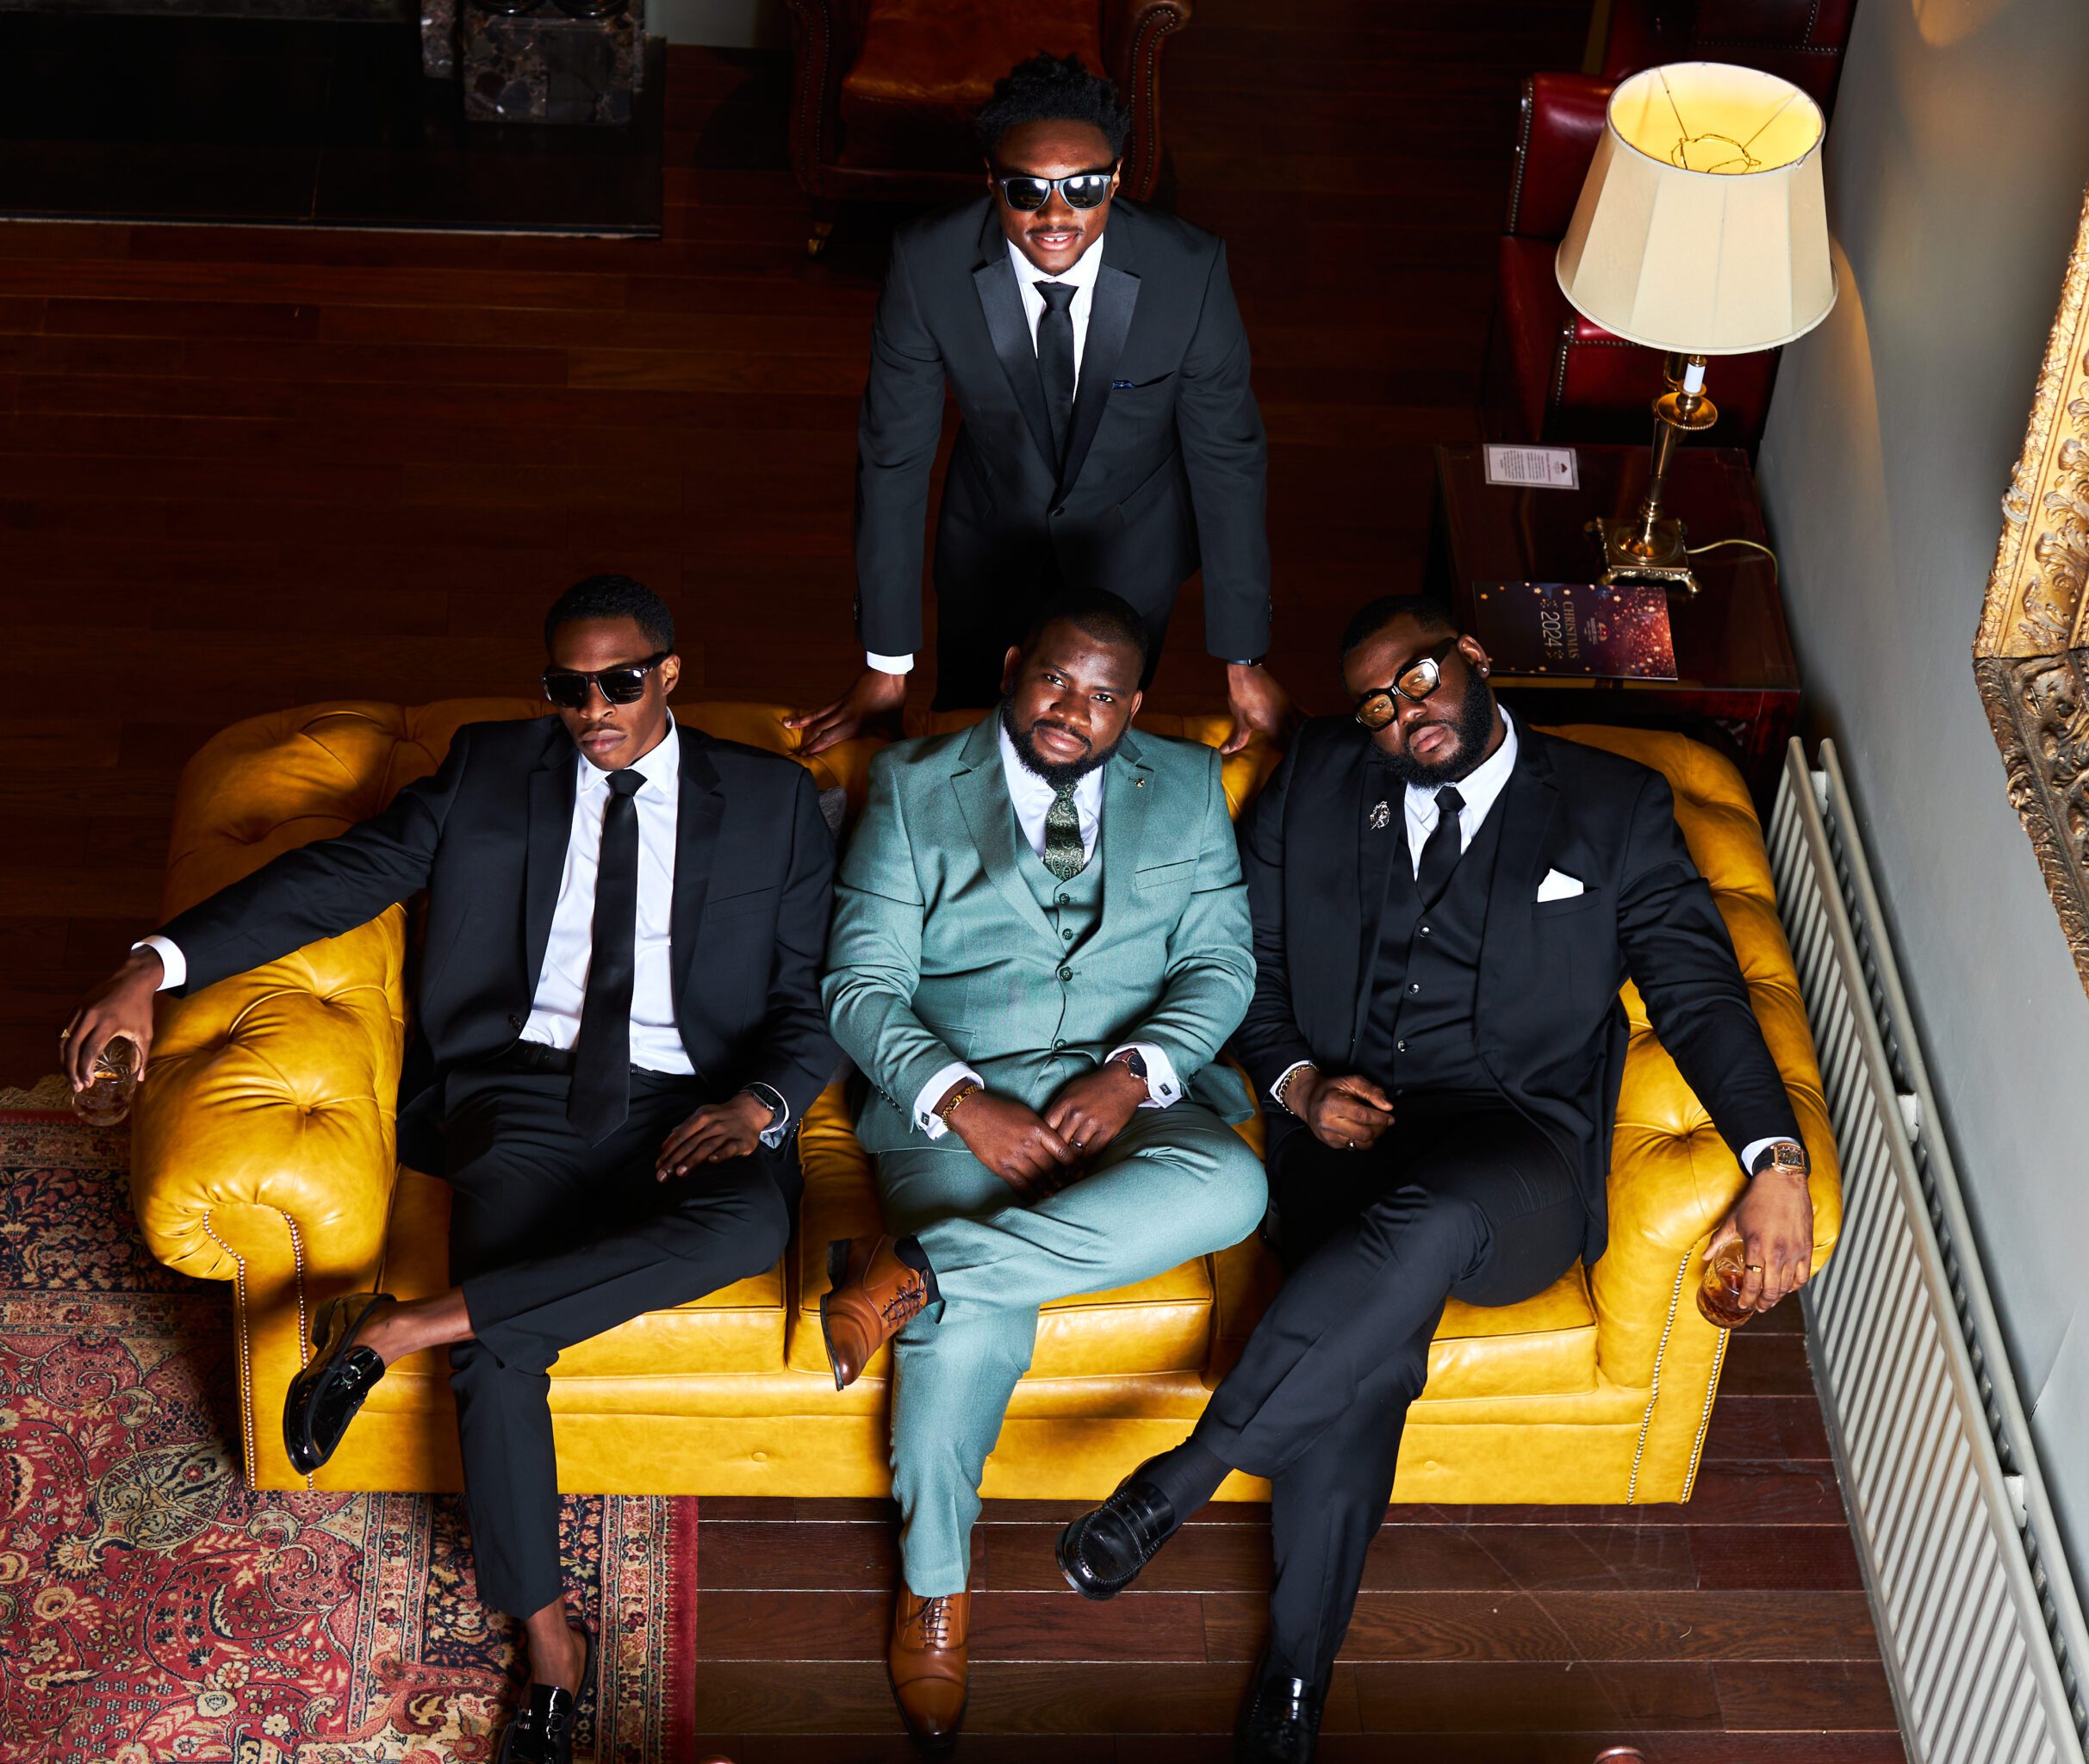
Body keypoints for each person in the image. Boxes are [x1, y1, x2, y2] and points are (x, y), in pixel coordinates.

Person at [61, 575, 842, 1764]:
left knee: (748, 1227)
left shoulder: (774, 802)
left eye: (622, 683)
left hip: (696, 1103)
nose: (595, 710)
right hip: (521, 1099)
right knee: (501, 1351)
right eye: (569, 688)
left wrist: (759, 1104)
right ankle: (550, 1647)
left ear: (671, 674)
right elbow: (333, 876)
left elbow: (812, 995)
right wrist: (151, 965)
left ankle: (399, 1327)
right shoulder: (488, 772)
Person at [1053, 594, 1820, 1763]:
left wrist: (1775, 1155)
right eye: (1374, 705)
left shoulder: (1610, 807)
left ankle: (1179, 1481)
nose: (1404, 717)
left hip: (1517, 1152)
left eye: (1417, 680)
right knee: (1364, 1358)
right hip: (1342, 1138)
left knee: (1437, 1214)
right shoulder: (1318, 778)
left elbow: (1698, 994)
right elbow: (1244, 966)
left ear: (1468, 654)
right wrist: (1300, 1085)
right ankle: (1293, 1688)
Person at [815, 589, 1269, 1752]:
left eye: (1105, 695)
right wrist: (963, 1101)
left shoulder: (1189, 788)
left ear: (1136, 705)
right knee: (971, 1331)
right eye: (1058, 679)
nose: (1076, 709)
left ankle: (914, 1270)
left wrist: (1133, 1072)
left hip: (1125, 1103)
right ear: (1016, 664)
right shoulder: (911, 785)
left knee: (1235, 1186)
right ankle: (933, 1589)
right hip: (957, 1112)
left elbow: (1220, 966)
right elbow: (862, 984)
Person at [786, 52, 1292, 759]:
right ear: (991, 180)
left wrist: (1244, 659)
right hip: (987, 542)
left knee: (1093, 745)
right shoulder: (927, 265)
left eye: (1084, 188)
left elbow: (1227, 459)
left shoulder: (1191, 271)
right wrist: (886, 664)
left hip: (1132, 546)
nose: (1056, 215)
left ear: (1117, 177)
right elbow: (893, 457)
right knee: (971, 735)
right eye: (1027, 189)